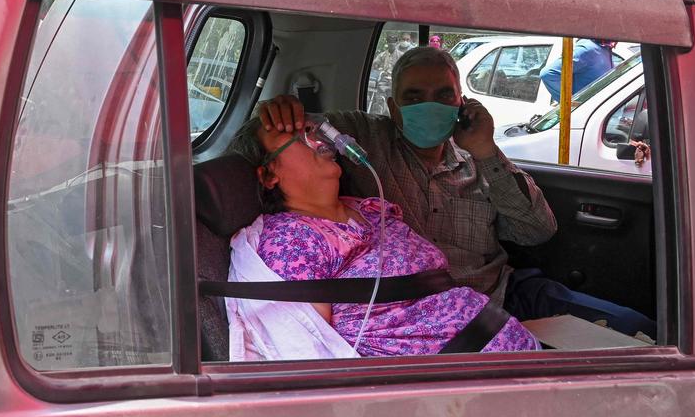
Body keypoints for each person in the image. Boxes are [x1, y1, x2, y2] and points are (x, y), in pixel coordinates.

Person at [257, 46, 656, 338]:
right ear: (394, 109)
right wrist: (280, 111)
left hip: (502, 294)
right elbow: (287, 140)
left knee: (634, 332)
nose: (428, 106)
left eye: (443, 96)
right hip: (425, 317)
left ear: (462, 104)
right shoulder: (364, 140)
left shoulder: (480, 160)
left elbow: (538, 231)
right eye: (413, 97)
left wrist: (486, 150)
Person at [226, 116, 539, 357]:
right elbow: (313, 347)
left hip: (503, 348)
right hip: (457, 392)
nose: (316, 139)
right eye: (296, 137)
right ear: (269, 175)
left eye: (313, 130)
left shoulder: (367, 209)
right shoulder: (291, 241)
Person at [539, 39, 613, 102]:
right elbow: (548, 74)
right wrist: (572, 103)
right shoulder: (588, 49)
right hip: (581, 115)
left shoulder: (604, 49)